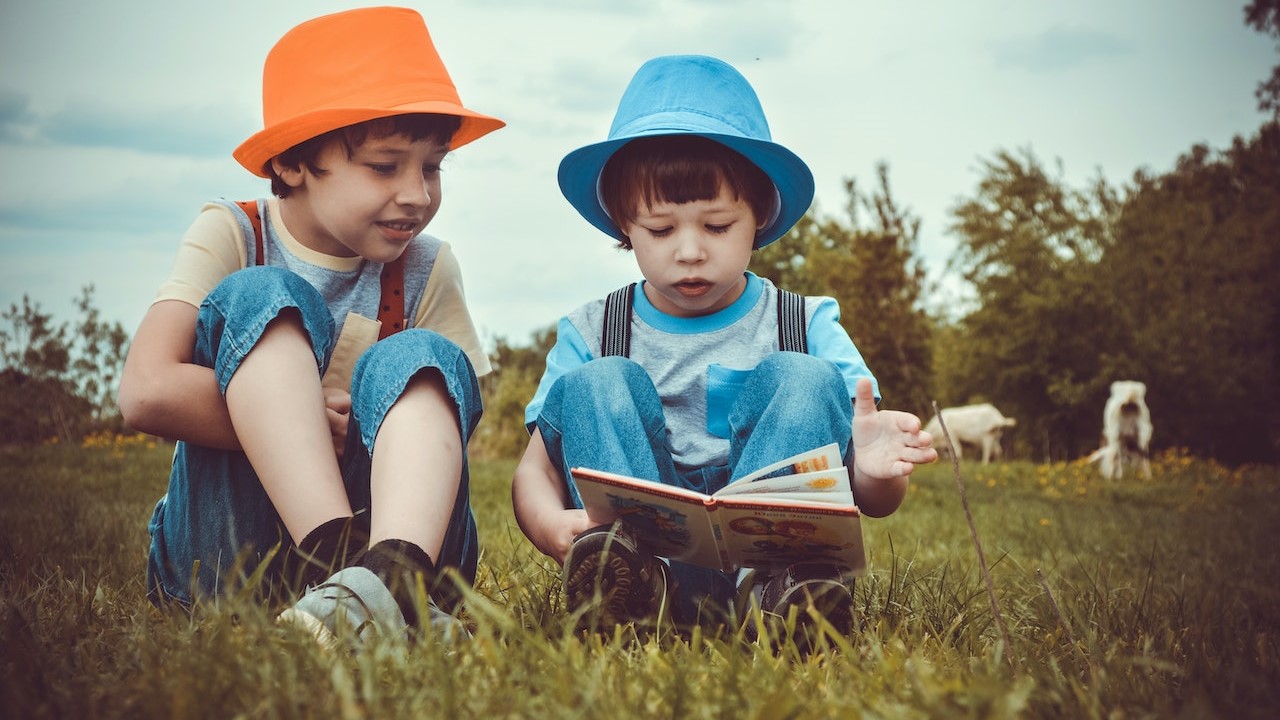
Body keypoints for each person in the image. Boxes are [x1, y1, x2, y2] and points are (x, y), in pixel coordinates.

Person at [511, 55, 936, 638]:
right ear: (622, 224)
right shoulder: (592, 330)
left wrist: (876, 471)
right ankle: (626, 593)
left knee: (805, 377)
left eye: (716, 227)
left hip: (775, 561)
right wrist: (551, 526)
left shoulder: (805, 322)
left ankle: (783, 600)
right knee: (596, 382)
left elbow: (874, 498)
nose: (689, 251)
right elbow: (534, 470)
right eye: (661, 230)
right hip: (643, 559)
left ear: (759, 215)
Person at [117, 7, 504, 647]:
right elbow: (147, 390)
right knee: (262, 295)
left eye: (432, 167)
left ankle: (393, 577)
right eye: (386, 166)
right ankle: (349, 574)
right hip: (229, 556)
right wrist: (298, 419)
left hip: (394, 531)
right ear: (294, 163)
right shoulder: (234, 233)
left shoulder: (429, 265)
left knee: (424, 356)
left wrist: (382, 422)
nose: (417, 193)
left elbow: (456, 411)